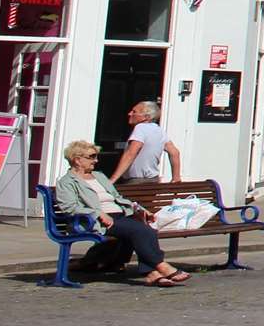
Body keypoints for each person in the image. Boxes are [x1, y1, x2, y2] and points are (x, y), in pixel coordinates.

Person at [56, 140, 189, 286]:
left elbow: (118, 198)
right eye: (92, 156)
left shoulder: (99, 176)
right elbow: (69, 207)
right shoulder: (67, 182)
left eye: (96, 156)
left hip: (119, 215)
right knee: (139, 231)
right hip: (95, 221)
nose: (96, 160)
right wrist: (98, 213)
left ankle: (151, 273)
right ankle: (161, 266)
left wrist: (139, 210)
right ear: (77, 159)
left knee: (145, 229)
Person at [111, 100, 181, 185]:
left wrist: (112, 180)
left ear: (146, 117)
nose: (129, 114)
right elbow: (175, 153)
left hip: (136, 182)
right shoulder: (159, 130)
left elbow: (131, 154)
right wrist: (176, 178)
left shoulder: (140, 128)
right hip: (152, 181)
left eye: (134, 112)